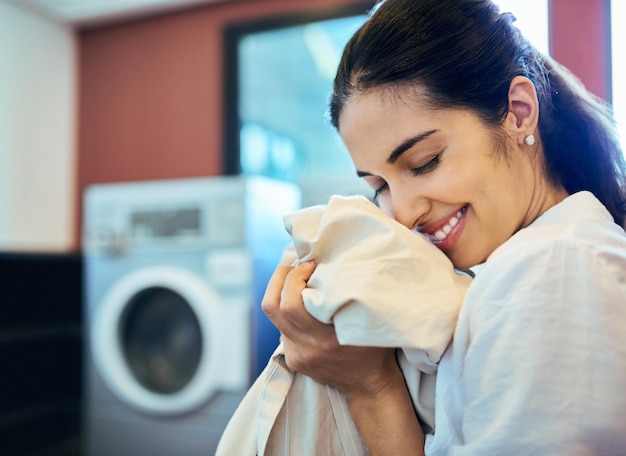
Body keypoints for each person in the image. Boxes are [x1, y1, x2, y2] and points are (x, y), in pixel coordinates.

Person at [261, 0, 626, 454]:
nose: (404, 213)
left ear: (517, 111)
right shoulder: (524, 264)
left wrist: (370, 387)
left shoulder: (553, 268)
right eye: (380, 186)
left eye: (424, 162)